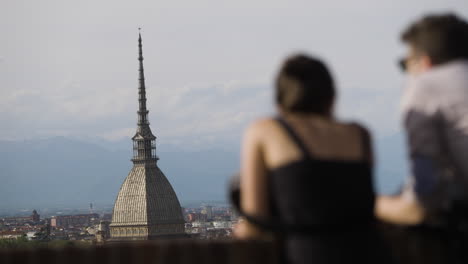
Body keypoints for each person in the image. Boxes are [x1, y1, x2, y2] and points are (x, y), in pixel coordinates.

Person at [233, 54, 389, 264]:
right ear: (332, 97)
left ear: (280, 100)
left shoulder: (265, 131)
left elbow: (255, 223)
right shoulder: (360, 134)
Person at [375, 13, 468, 263]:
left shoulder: (426, 87)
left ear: (424, 62)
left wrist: (369, 204)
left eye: (405, 65)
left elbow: (423, 201)